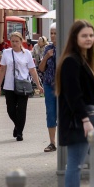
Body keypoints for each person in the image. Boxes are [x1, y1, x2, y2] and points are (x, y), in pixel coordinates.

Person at [56, 20, 94, 187]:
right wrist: (85, 120)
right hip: (80, 120)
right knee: (76, 164)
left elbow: (89, 92)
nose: (89, 39)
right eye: (84, 35)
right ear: (75, 38)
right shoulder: (71, 60)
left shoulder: (84, 60)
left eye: (91, 35)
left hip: (88, 117)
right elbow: (73, 95)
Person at [0, 32, 44, 141]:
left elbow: (32, 70)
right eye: (12, 41)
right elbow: (2, 69)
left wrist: (38, 85)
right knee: (11, 110)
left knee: (22, 110)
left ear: (21, 41)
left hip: (23, 85)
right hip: (9, 86)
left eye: (17, 41)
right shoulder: (6, 53)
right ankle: (17, 126)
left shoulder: (27, 53)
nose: (14, 43)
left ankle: (19, 133)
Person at [39, 23, 57, 152]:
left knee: (64, 113)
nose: (53, 35)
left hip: (64, 86)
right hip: (49, 84)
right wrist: (46, 57)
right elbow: (41, 68)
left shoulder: (67, 47)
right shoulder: (47, 48)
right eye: (51, 33)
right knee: (50, 113)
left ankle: (65, 142)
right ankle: (52, 143)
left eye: (55, 33)